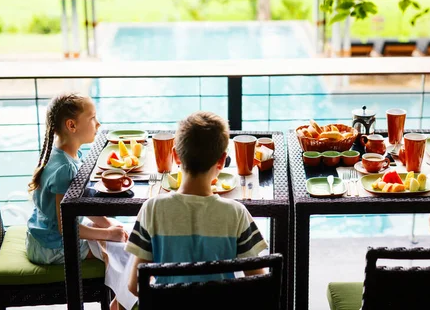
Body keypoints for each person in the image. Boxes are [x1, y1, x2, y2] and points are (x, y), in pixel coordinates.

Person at [126, 111, 268, 296]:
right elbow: (259, 284)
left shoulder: (152, 209)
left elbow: (135, 286)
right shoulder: (236, 213)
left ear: (176, 156)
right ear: (222, 161)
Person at [26, 93, 128, 309]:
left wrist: (107, 223)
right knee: (122, 251)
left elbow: (76, 204)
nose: (98, 124)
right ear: (72, 125)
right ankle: (119, 305)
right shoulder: (65, 170)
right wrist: (108, 233)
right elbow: (66, 227)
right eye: (92, 118)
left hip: (41, 236)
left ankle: (119, 302)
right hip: (50, 247)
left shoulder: (63, 155)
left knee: (121, 234)